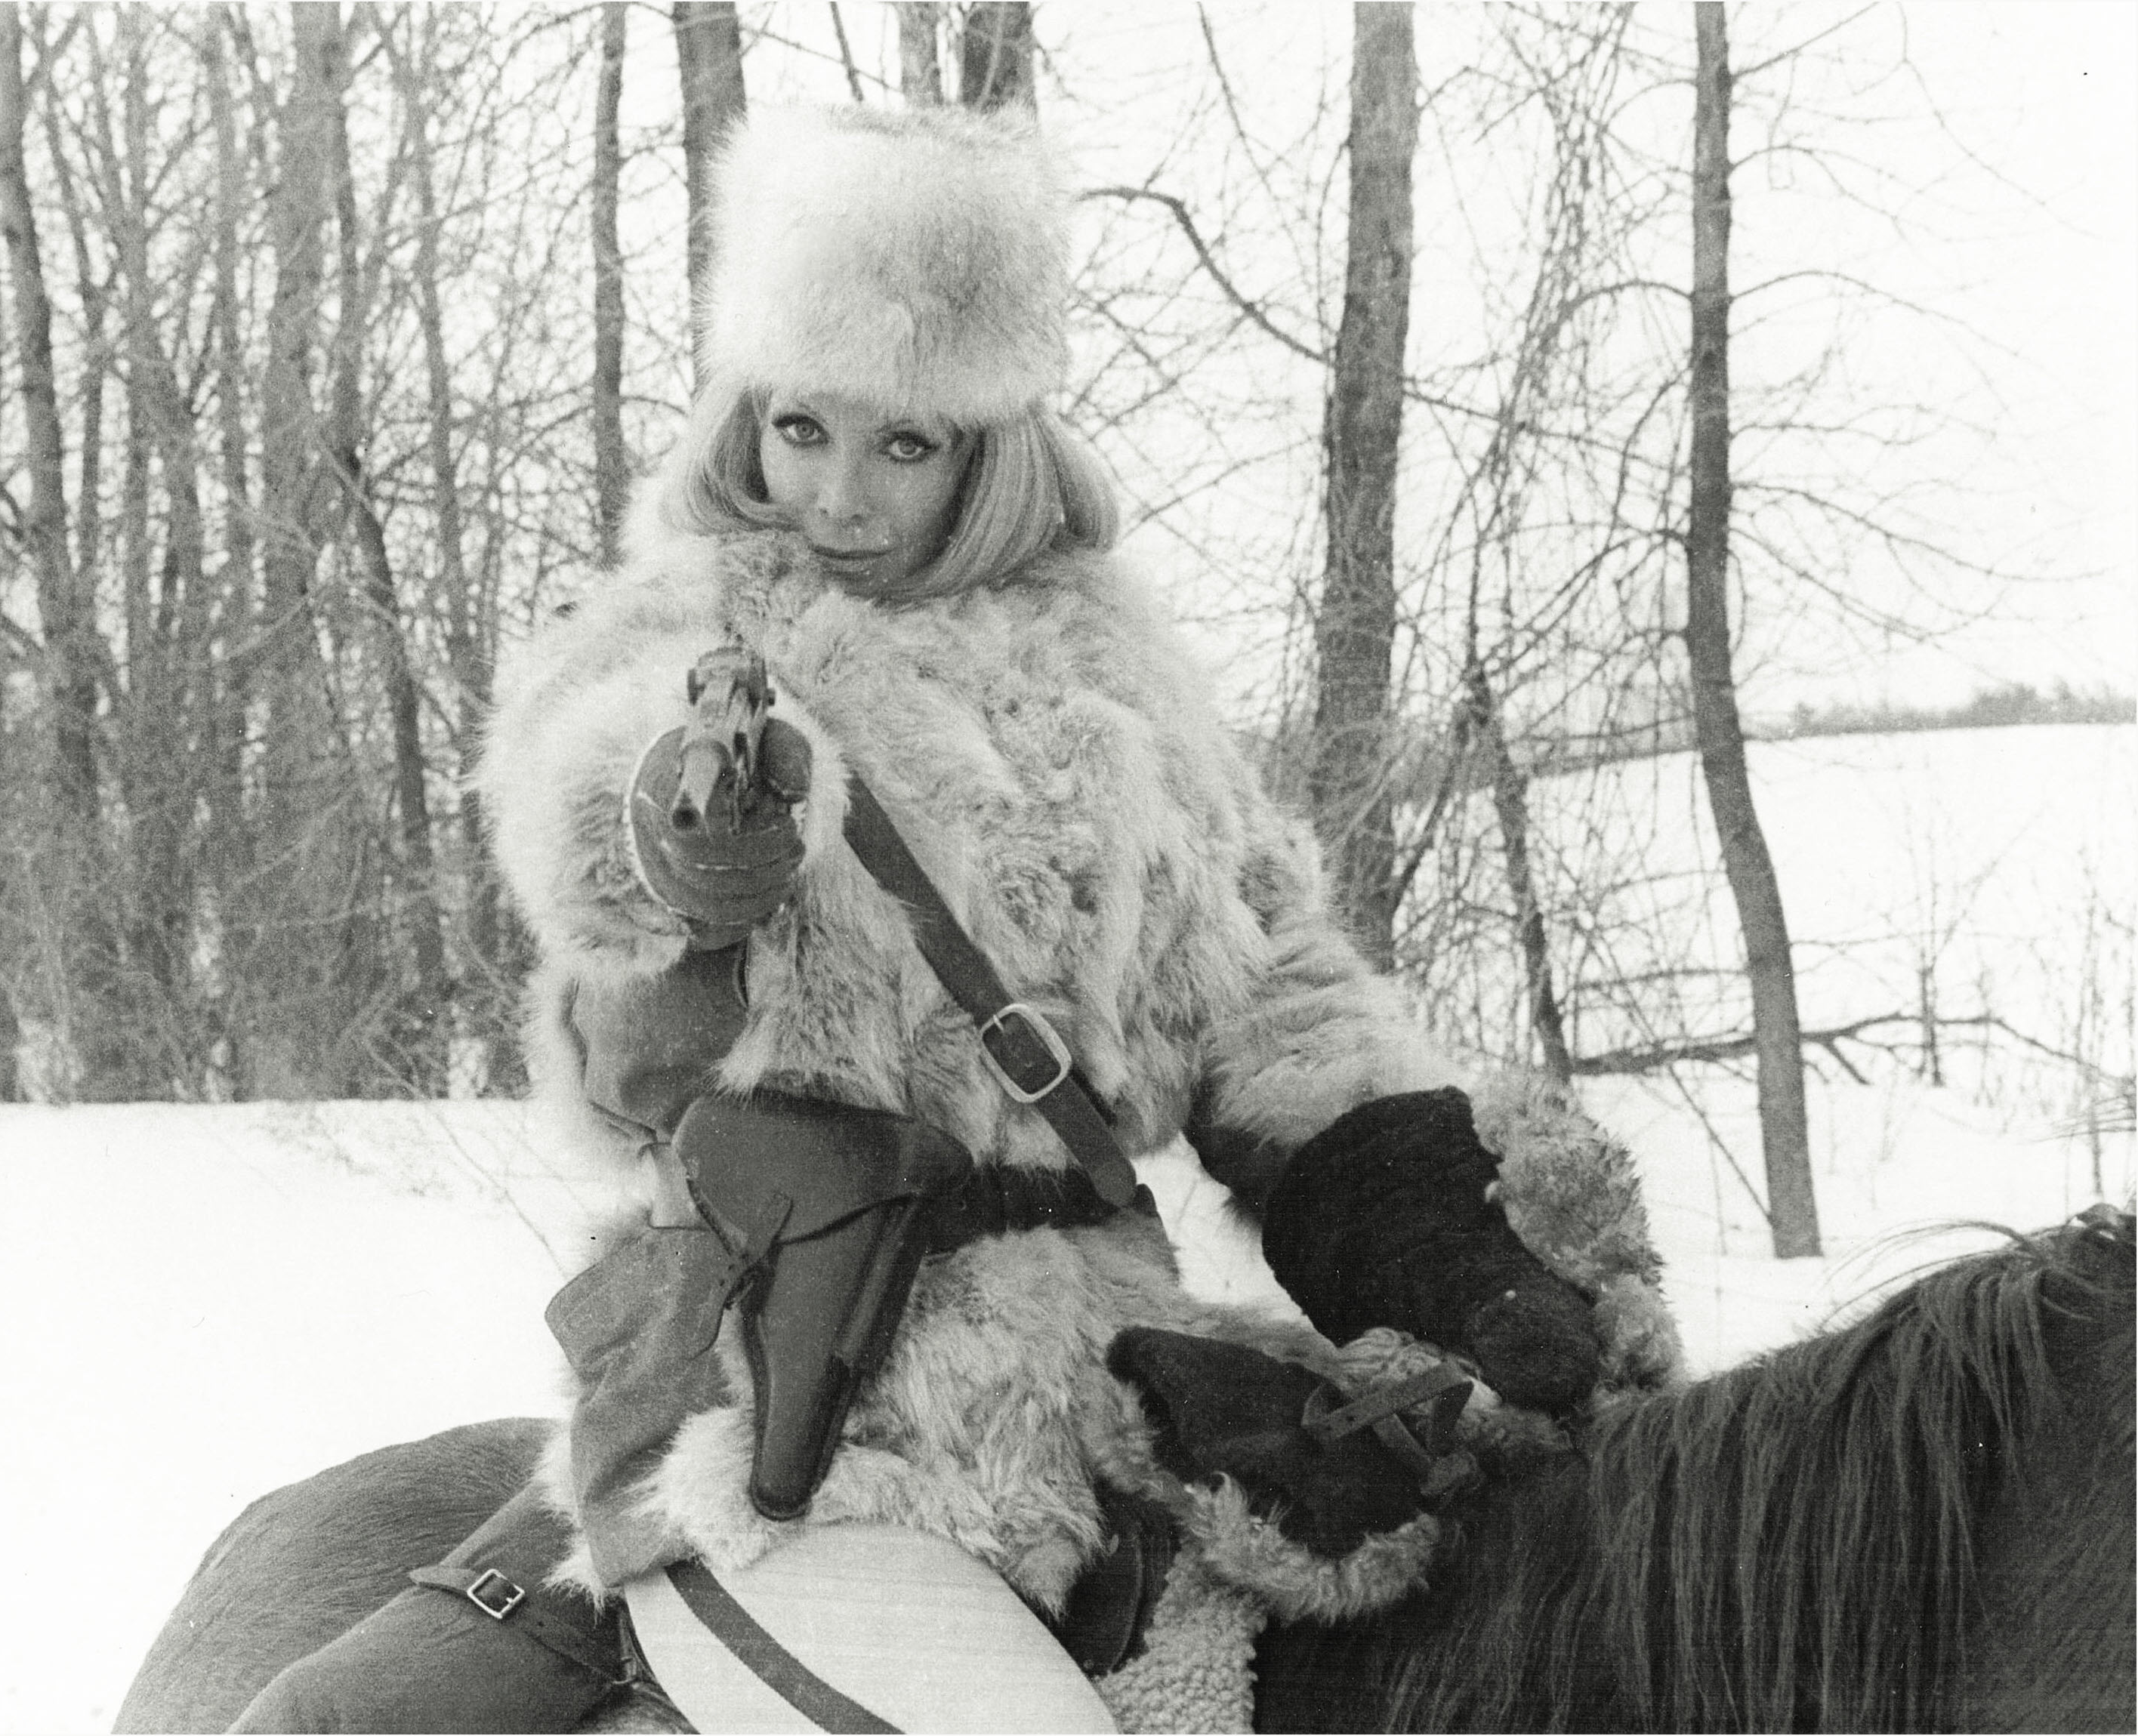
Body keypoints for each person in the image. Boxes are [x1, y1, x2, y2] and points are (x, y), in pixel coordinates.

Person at [232, 103, 1677, 1735]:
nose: (836, 493)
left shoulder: (1122, 683)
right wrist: (699, 846)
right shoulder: (686, 628)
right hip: (805, 1425)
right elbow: (602, 896)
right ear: (744, 413)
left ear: (988, 442)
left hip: (1127, 1389)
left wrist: (1433, 1227)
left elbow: (1274, 1002)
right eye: (801, 427)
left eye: (903, 443)